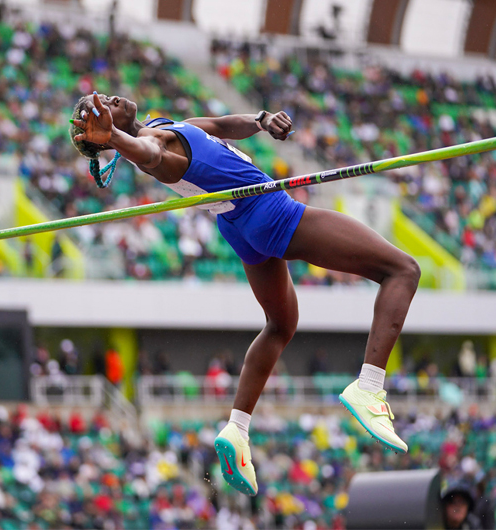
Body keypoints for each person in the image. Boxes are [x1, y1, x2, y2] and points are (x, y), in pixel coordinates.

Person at [71, 92, 420, 496]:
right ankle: (370, 386)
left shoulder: (163, 127)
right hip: (268, 212)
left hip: (241, 225)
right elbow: (146, 155)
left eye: (108, 99)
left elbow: (219, 127)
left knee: (281, 324)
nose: (113, 98)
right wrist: (114, 138)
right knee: (402, 269)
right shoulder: (155, 147)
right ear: (104, 133)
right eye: (104, 108)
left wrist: (260, 119)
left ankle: (237, 430)